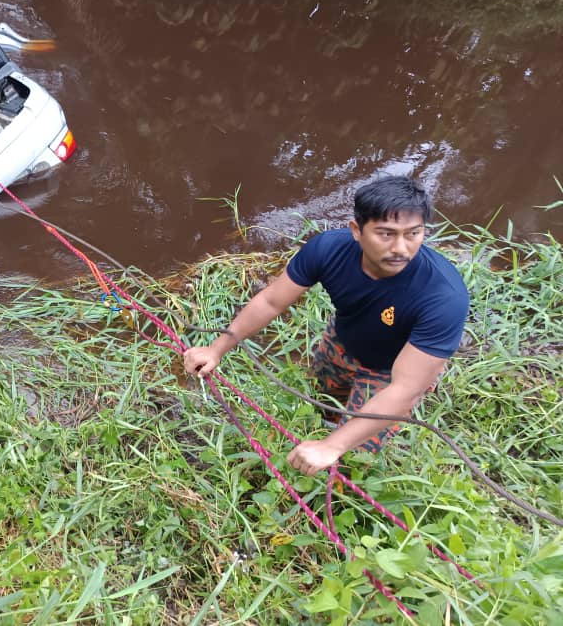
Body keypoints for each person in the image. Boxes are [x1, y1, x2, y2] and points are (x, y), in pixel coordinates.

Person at [183, 175, 470, 475]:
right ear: (357, 231)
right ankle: (327, 428)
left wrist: (333, 446)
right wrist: (216, 350)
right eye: (386, 234)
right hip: (341, 342)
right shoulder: (328, 250)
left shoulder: (443, 296)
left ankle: (338, 477)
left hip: (391, 371)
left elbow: (406, 388)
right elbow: (271, 301)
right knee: (324, 400)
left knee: (352, 456)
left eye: (413, 233)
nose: (401, 248)